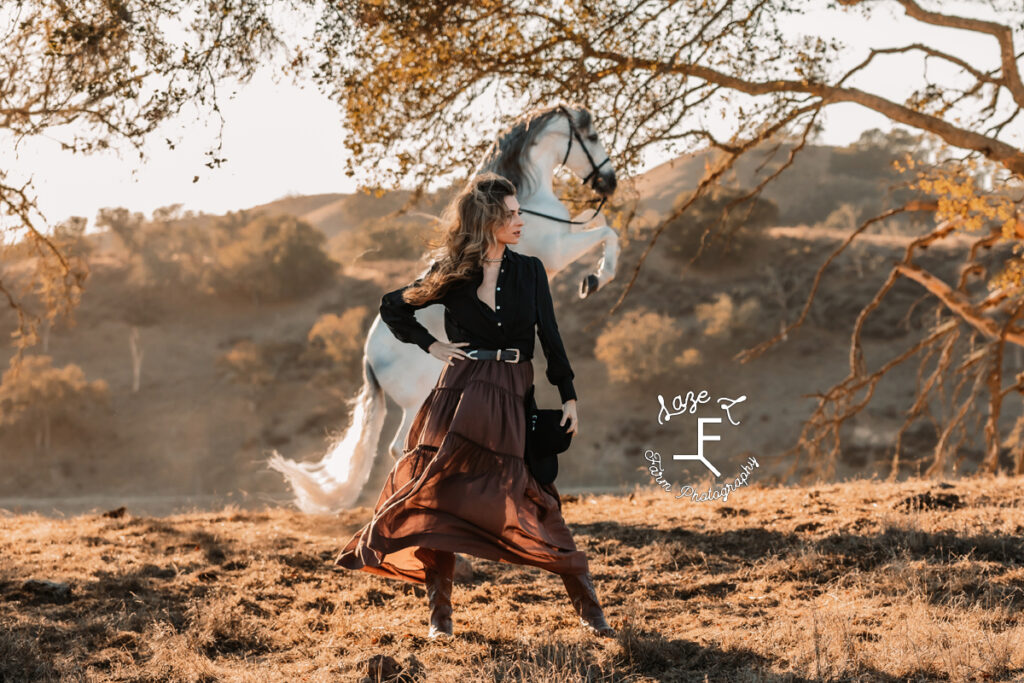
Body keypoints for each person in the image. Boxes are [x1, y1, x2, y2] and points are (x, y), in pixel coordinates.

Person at [334, 172, 616, 640]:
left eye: (520, 212)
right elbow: (393, 308)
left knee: (539, 496)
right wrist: (431, 346)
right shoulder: (452, 272)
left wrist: (568, 394)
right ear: (487, 221)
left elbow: (550, 336)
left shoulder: (529, 271)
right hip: (459, 392)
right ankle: (439, 619)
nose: (520, 220)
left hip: (511, 392)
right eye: (510, 215)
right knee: (440, 497)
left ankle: (590, 609)